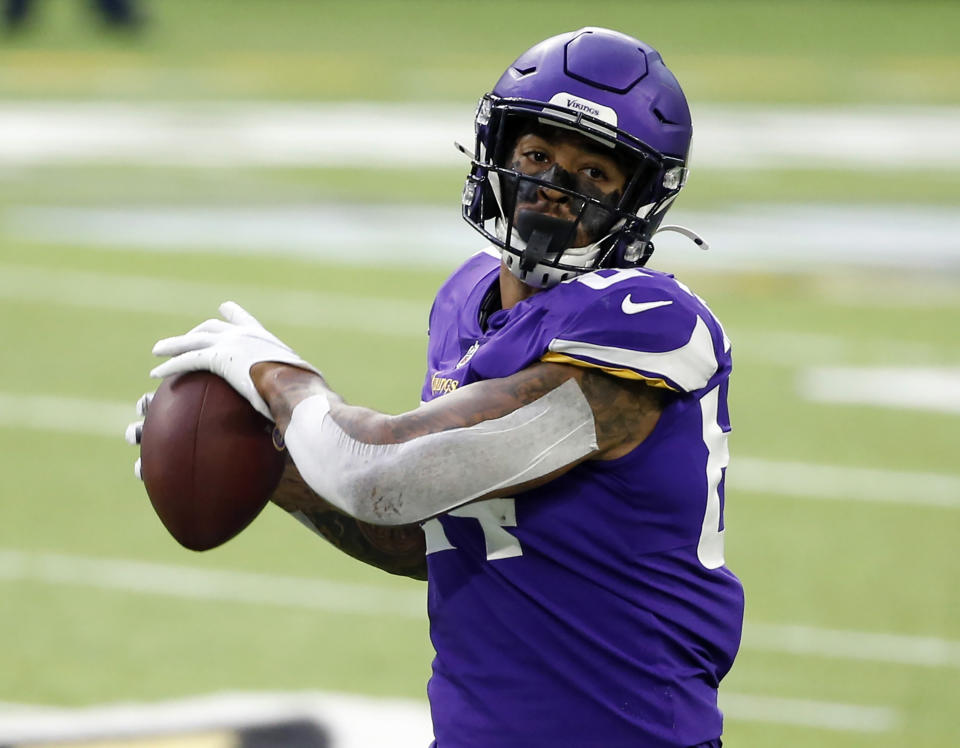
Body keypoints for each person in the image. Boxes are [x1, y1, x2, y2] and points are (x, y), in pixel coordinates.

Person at [129, 27, 743, 748]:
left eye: (593, 175)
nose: (553, 189)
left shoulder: (646, 321)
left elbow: (385, 470)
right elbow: (442, 535)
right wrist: (265, 468)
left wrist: (277, 379)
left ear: (639, 197)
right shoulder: (467, 301)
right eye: (538, 156)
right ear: (499, 155)